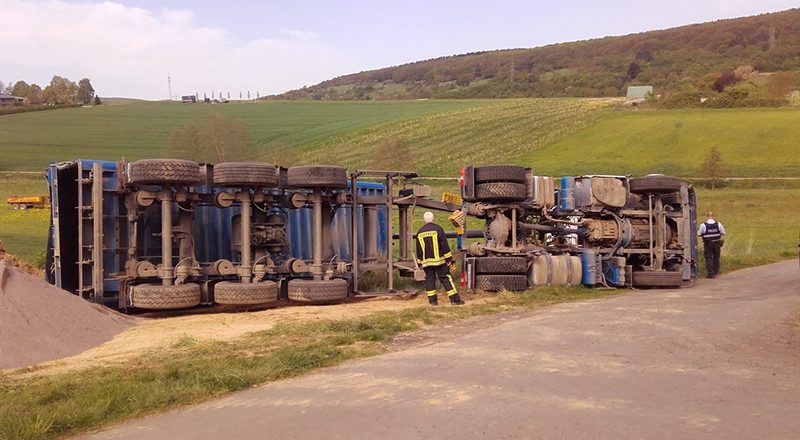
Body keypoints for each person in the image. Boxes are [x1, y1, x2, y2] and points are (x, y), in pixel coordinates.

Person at [415, 211, 464, 305]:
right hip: (439, 261)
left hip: (426, 262)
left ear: (424, 220)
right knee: (446, 279)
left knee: (429, 280)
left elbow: (419, 249)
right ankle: (455, 300)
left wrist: (419, 262)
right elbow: (444, 245)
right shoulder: (438, 229)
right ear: (433, 219)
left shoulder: (420, 232)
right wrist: (449, 259)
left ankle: (433, 302)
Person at [697, 211, 726, 278]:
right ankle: (715, 271)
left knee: (709, 258)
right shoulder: (718, 224)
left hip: (708, 244)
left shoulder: (703, 225)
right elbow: (723, 233)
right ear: (713, 216)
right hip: (717, 243)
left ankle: (711, 274)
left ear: (707, 217)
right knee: (716, 257)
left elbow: (699, 234)